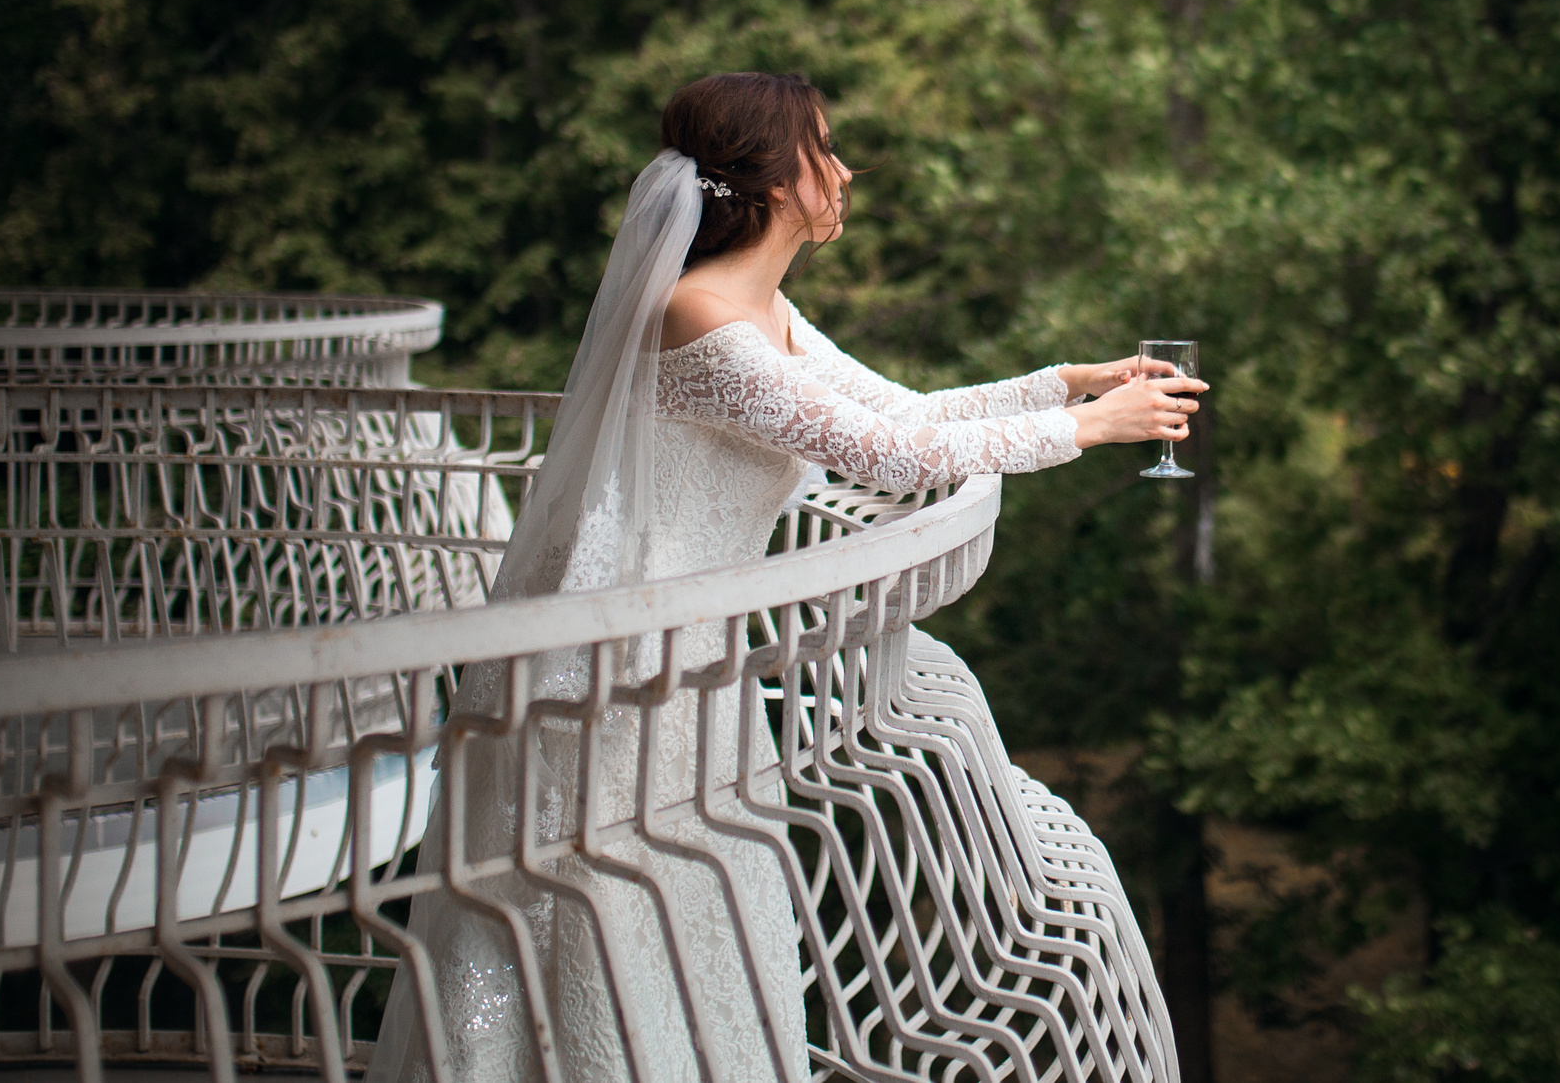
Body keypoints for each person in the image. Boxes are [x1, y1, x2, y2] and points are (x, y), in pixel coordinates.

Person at [368, 71, 1203, 1083]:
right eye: (826, 149)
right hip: (622, 669)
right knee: (608, 897)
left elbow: (907, 413)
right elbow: (887, 458)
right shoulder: (699, 317)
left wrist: (1060, 380)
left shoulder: (762, 308)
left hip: (692, 654)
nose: (846, 170)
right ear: (775, 180)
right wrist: (1083, 429)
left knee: (684, 895)